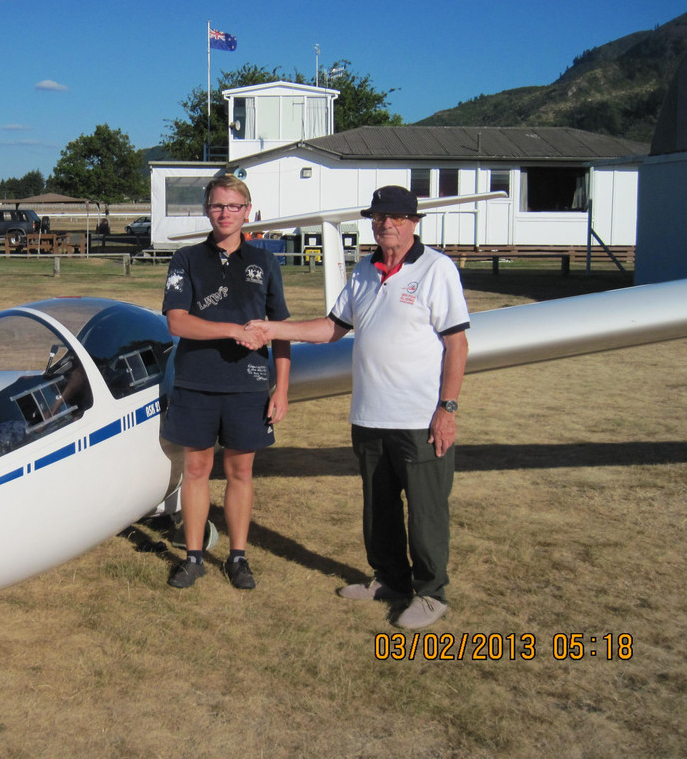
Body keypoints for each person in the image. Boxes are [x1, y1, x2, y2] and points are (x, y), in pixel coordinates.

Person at [247, 185, 468, 628]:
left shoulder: (437, 268)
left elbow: (457, 342)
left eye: (397, 217)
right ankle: (389, 580)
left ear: (414, 222)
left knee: (425, 512)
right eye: (379, 217)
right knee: (378, 508)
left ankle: (430, 593)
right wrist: (273, 328)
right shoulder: (365, 271)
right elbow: (332, 327)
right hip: (368, 415)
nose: (387, 224)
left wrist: (447, 408)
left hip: (419, 418)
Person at [161, 174, 291, 590]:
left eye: (234, 206)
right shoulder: (185, 259)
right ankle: (194, 556)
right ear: (206, 210)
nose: (225, 213)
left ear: (246, 212)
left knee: (240, 471)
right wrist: (233, 330)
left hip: (249, 385)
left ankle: (238, 558)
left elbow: (280, 330)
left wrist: (282, 388)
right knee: (196, 470)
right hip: (196, 382)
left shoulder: (266, 262)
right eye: (218, 206)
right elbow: (177, 321)